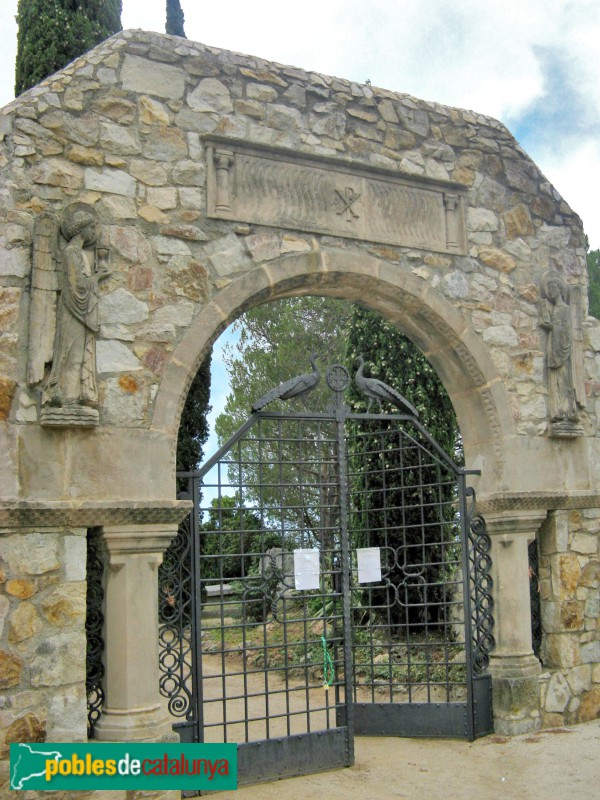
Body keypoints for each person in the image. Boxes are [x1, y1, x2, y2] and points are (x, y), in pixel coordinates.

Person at [44, 203, 110, 416]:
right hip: (74, 312)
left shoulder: (79, 253)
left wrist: (92, 279)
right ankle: (61, 396)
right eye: (90, 228)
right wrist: (96, 279)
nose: (93, 232)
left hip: (79, 311)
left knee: (78, 355)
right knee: (70, 354)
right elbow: (76, 286)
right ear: (81, 229)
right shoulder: (71, 253)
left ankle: (76, 396)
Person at [539, 270, 579, 428]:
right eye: (549, 288)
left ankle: (567, 411)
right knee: (554, 381)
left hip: (561, 352)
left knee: (563, 381)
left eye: (553, 287)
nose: (551, 291)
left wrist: (551, 327)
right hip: (552, 349)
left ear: (560, 289)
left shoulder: (565, 309)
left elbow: (567, 332)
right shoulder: (554, 308)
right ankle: (556, 412)